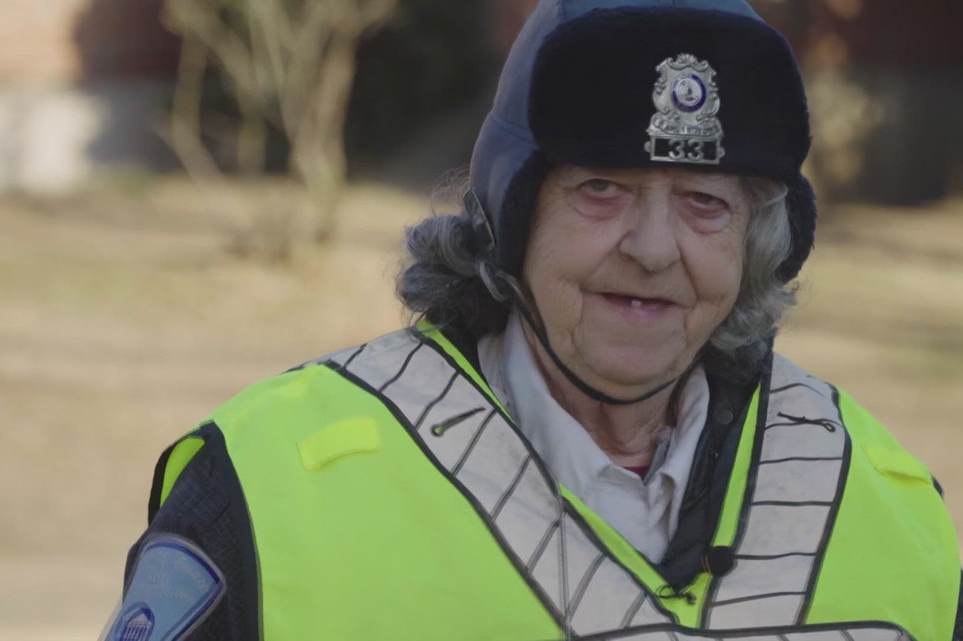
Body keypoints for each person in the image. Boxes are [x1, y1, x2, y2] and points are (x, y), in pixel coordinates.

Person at [101, 1, 961, 640]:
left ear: (758, 243)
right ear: (508, 214)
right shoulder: (267, 489)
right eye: (602, 188)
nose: (654, 248)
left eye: (705, 202)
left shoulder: (880, 499)